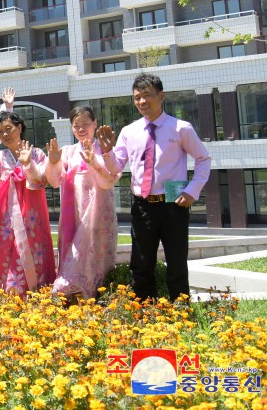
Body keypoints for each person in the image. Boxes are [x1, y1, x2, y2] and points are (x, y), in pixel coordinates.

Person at [96, 73, 211, 301]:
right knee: (140, 263)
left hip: (173, 204)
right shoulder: (129, 132)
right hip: (142, 207)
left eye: (147, 95)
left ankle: (179, 311)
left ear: (161, 96)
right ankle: (143, 313)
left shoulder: (180, 128)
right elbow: (117, 166)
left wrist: (192, 190)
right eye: (137, 97)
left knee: (176, 263)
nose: (141, 102)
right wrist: (107, 152)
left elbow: (203, 159)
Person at [0, 111, 56, 297]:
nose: (5, 134)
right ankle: (8, 303)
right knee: (4, 260)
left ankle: (35, 299)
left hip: (32, 221)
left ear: (19, 127)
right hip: (4, 224)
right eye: (1, 132)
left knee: (33, 257)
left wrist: (28, 164)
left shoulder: (37, 154)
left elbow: (41, 182)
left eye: (8, 128)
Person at [45, 107, 119, 301]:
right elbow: (54, 181)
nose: (81, 129)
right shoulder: (68, 152)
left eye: (85, 124)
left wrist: (94, 161)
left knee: (96, 254)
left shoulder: (106, 150)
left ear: (95, 123)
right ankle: (72, 298)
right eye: (76, 126)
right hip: (74, 215)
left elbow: (109, 181)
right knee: (75, 253)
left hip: (98, 214)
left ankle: (97, 297)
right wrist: (53, 162)